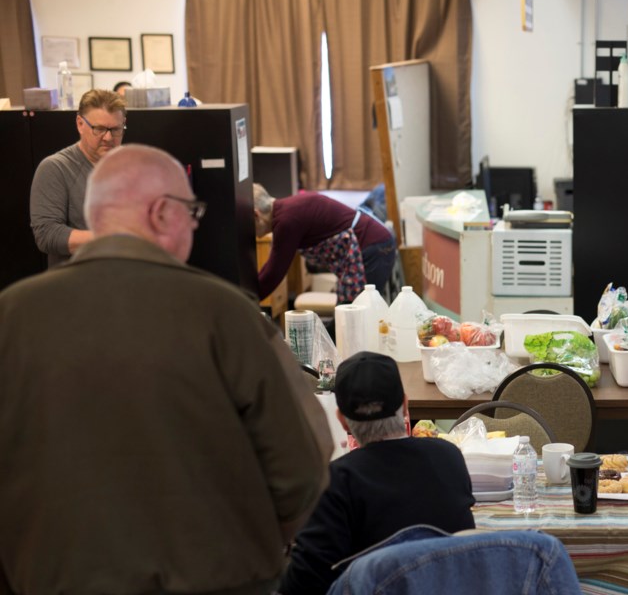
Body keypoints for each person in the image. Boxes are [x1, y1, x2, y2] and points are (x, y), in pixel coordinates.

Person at [0, 144, 333, 595]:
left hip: (53, 577)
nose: (196, 223)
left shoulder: (13, 314)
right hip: (217, 576)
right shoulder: (225, 312)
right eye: (191, 210)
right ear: (160, 213)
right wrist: (267, 546)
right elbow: (302, 464)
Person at [280, 351, 476, 594]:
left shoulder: (336, 481)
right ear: (405, 406)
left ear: (342, 420)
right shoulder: (449, 456)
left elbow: (305, 581)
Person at [29, 88, 126, 268]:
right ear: (80, 124)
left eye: (116, 129)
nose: (108, 137)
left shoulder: (131, 166)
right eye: (99, 129)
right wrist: (113, 238)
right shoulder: (55, 168)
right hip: (76, 284)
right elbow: (48, 235)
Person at [253, 184, 397, 304]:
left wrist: (246, 299)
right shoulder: (287, 209)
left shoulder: (285, 222)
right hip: (376, 244)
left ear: (256, 215)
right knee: (347, 319)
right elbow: (271, 268)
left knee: (357, 317)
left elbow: (273, 273)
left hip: (374, 248)